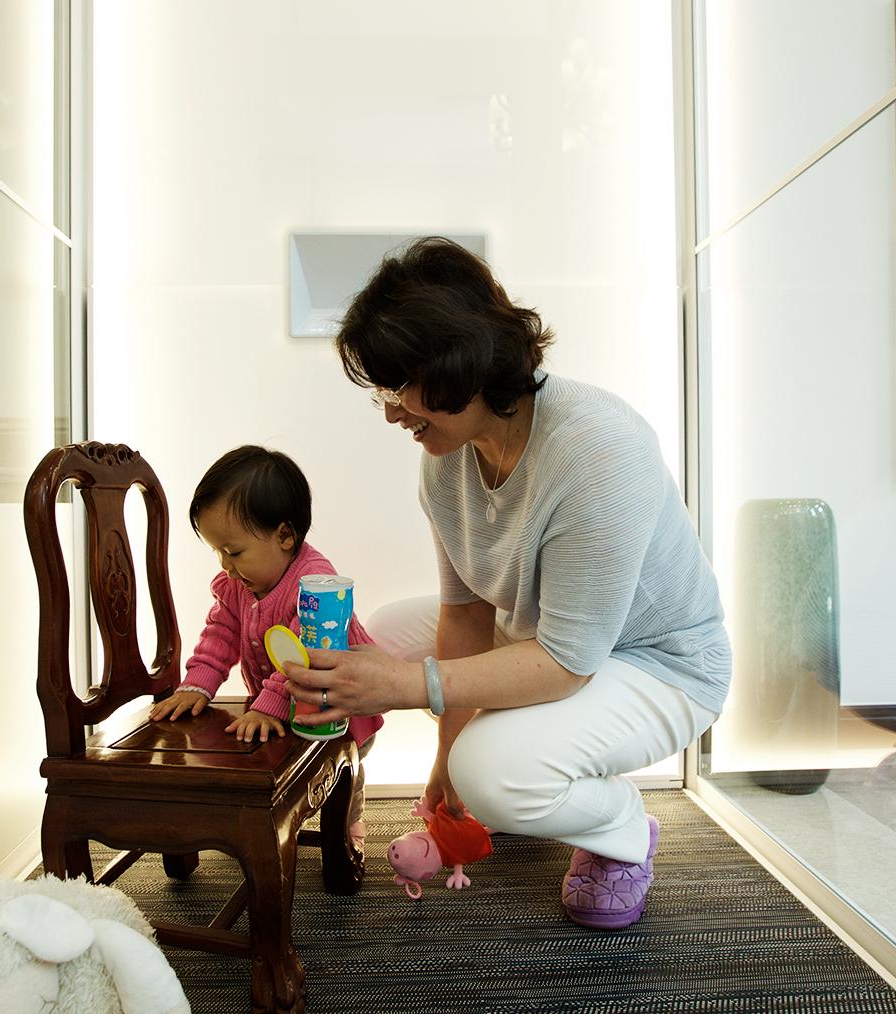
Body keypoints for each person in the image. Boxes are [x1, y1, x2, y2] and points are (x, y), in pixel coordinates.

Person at [282, 237, 730, 929]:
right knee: (386, 634)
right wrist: (443, 763)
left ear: (463, 364)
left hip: (657, 663)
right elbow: (464, 615)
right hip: (553, 637)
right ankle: (507, 779)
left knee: (491, 772)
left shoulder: (598, 453)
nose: (393, 411)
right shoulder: (447, 460)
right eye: (384, 390)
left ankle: (621, 830)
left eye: (400, 387)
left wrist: (418, 700)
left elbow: (566, 663)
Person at [149, 445, 383, 844]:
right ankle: (273, 823)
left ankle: (347, 823)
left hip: (338, 705)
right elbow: (219, 634)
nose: (225, 564)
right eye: (217, 551)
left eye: (234, 551)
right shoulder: (239, 584)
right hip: (280, 702)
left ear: (285, 536)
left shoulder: (313, 585)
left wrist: (269, 706)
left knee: (347, 772)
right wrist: (197, 685)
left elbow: (304, 655)